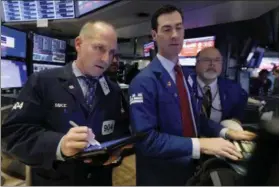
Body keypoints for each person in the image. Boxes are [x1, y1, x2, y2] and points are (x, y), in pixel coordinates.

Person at [128, 5, 256, 186]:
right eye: (166, 29)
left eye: (178, 28)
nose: (174, 34)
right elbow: (147, 140)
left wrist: (226, 132)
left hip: (190, 170)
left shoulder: (186, 75)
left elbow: (195, 117)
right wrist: (201, 144)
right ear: (154, 35)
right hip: (161, 176)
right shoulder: (143, 82)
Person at [1, 21, 130, 186]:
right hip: (55, 180)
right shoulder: (43, 82)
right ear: (78, 44)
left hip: (99, 180)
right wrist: (59, 145)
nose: (106, 59)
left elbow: (121, 131)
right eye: (99, 48)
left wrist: (116, 153)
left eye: (112, 53)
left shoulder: (113, 90)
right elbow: (14, 134)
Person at [194, 47, 248, 124]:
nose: (212, 64)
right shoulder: (183, 84)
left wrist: (234, 122)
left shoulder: (234, 89)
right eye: (206, 60)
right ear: (196, 63)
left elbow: (237, 118)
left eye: (217, 60)